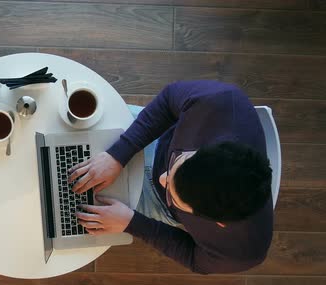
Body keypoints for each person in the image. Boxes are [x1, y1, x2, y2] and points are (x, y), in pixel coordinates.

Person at [68, 80, 273, 274]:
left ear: (218, 223)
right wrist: (118, 154)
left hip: (157, 206)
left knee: (70, 217)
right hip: (153, 137)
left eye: (176, 196)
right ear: (208, 146)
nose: (162, 179)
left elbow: (193, 258)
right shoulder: (222, 101)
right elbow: (169, 99)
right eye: (179, 161)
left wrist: (132, 223)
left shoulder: (241, 253)